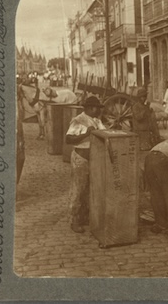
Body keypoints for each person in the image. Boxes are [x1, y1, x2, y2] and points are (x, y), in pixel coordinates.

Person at [65, 96, 106, 233]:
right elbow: (68, 139)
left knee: (89, 189)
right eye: (97, 108)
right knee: (78, 189)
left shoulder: (97, 120)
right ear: (89, 108)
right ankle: (74, 220)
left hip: (93, 159)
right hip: (81, 159)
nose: (99, 111)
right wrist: (85, 135)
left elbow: (104, 133)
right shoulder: (78, 120)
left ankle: (84, 216)